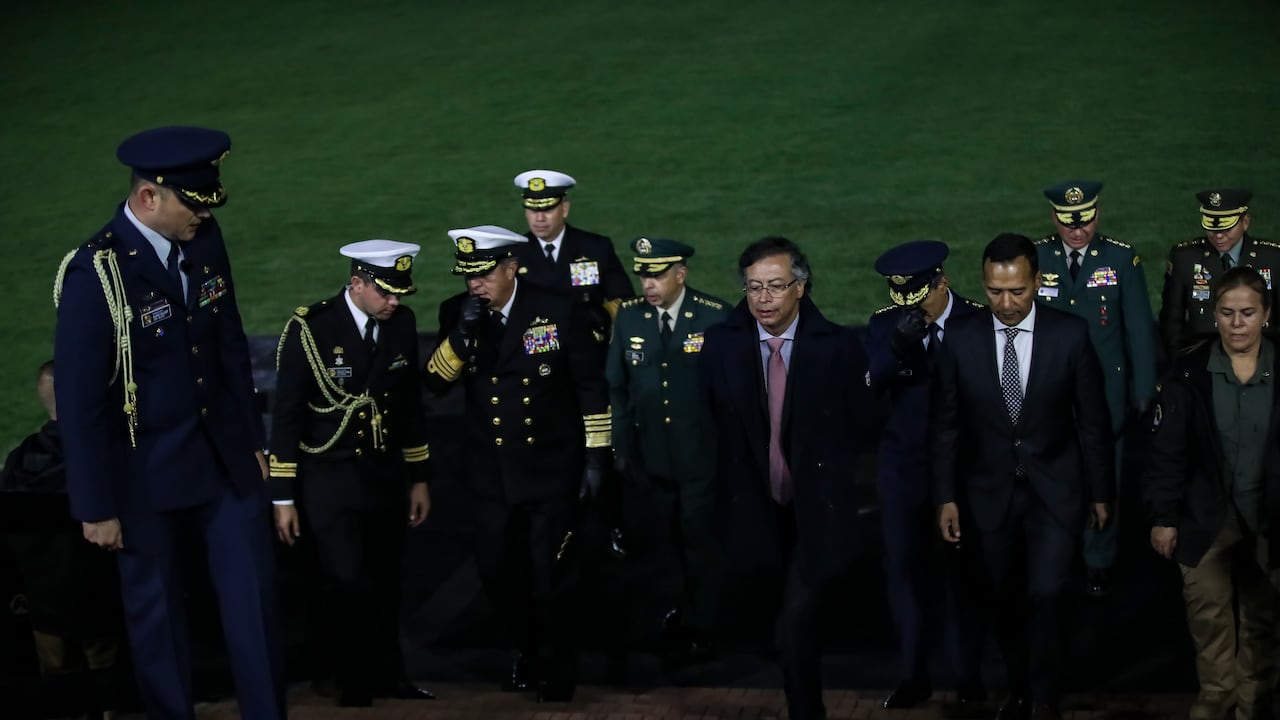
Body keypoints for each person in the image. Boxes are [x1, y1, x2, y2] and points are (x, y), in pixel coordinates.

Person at [52, 126, 285, 719]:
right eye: (192, 202)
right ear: (149, 197)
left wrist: (251, 440)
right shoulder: (95, 274)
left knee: (254, 607)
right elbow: (80, 404)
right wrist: (94, 505)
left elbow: (228, 343)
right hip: (141, 475)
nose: (203, 214)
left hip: (222, 461)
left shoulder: (204, 240)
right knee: (157, 622)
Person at [422, 225, 611, 702]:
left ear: (511, 267)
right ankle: (524, 649)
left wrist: (595, 458)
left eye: (484, 275)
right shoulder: (458, 313)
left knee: (554, 575)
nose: (475, 285)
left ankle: (559, 667)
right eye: (468, 276)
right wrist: (462, 336)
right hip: (491, 473)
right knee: (497, 572)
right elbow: (435, 384)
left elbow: (590, 386)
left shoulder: (558, 310)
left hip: (550, 468)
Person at [931, 233, 1113, 720]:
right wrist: (945, 496)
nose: (1006, 303)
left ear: (1036, 281)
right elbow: (946, 424)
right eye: (994, 291)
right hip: (987, 495)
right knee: (1005, 599)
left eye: (1017, 291)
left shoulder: (1070, 334)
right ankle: (1018, 692)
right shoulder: (962, 337)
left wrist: (1101, 491)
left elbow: (1092, 421)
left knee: (1047, 593)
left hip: (1055, 491)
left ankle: (1045, 695)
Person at [699, 236, 870, 720]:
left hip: (816, 512)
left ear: (801, 287)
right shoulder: (721, 345)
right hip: (753, 512)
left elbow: (862, 425)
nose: (764, 299)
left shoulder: (837, 348)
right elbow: (711, 420)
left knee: (795, 620)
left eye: (775, 286)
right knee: (780, 620)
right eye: (754, 288)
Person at [268, 240, 434, 707]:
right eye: (386, 292)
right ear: (357, 284)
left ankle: (389, 675)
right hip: (328, 475)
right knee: (344, 579)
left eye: (400, 292)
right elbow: (287, 415)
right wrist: (281, 495)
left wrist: (418, 476)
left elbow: (407, 408)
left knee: (386, 578)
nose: (395, 301)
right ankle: (345, 677)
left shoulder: (401, 323)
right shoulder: (311, 328)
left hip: (383, 474)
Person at [1144, 266, 1280, 720]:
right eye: (1227, 312)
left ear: (1266, 315)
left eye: (1247, 313)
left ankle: (1255, 699)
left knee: (1264, 616)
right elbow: (1167, 453)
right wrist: (1163, 517)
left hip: (1269, 514)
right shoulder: (1189, 372)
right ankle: (1218, 694)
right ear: (1213, 314)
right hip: (1206, 515)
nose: (1237, 323)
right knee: (1208, 613)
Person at [866, 240, 988, 708]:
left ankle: (968, 679)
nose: (913, 308)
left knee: (962, 576)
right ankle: (912, 676)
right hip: (904, 469)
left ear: (942, 282)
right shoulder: (885, 325)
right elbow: (868, 386)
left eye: (920, 297)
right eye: (904, 299)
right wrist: (898, 348)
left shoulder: (976, 321)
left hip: (963, 467)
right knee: (905, 574)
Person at [606, 237, 729, 668]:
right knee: (662, 546)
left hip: (701, 458)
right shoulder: (629, 319)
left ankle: (704, 626)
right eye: (643, 274)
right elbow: (617, 388)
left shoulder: (715, 318)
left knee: (700, 543)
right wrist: (620, 446)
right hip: (651, 458)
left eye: (657, 274)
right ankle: (673, 617)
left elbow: (729, 395)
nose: (648, 282)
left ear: (681, 274)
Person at [1033, 180, 1157, 597]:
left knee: (1105, 477)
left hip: (1106, 393)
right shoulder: (1036, 256)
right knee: (1052, 474)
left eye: (1084, 219)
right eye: (1069, 221)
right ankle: (1056, 556)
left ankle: (1098, 560)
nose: (1078, 230)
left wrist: (1143, 388)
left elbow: (1138, 329)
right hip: (1051, 393)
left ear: (1096, 214)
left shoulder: (1121, 259)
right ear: (1055, 217)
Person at [513, 169, 634, 559]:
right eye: (532, 211)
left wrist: (605, 318)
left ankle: (612, 524)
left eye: (547, 209)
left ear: (564, 207)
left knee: (602, 450)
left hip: (588, 366)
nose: (539, 218)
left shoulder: (594, 248)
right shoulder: (514, 255)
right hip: (541, 368)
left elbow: (623, 302)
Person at [1, 362, 123, 719]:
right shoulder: (101, 460)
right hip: (98, 602)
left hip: (42, 606)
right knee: (109, 690)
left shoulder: (18, 459)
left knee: (56, 689)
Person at [1160, 189, 1280, 358]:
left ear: (1245, 222)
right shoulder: (1185, 257)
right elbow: (1171, 321)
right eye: (1211, 228)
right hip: (1203, 358)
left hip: (1260, 357)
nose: (1218, 236)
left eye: (1226, 228)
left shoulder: (1273, 258)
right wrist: (1180, 364)